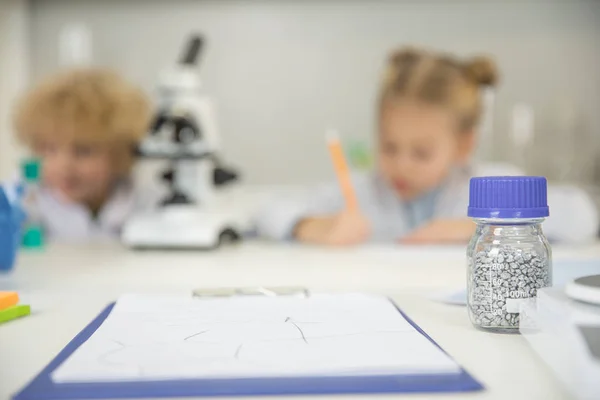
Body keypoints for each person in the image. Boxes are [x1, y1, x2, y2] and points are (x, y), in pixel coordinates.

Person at [256, 47, 598, 245]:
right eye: (389, 147)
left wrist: (483, 226)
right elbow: (267, 211)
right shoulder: (361, 192)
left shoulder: (487, 186)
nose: (401, 165)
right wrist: (312, 226)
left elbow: (582, 216)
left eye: (421, 153)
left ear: (464, 145)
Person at [13, 68, 155, 241]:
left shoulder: (147, 203)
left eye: (83, 151)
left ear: (120, 153)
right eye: (49, 149)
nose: (64, 165)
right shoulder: (22, 202)